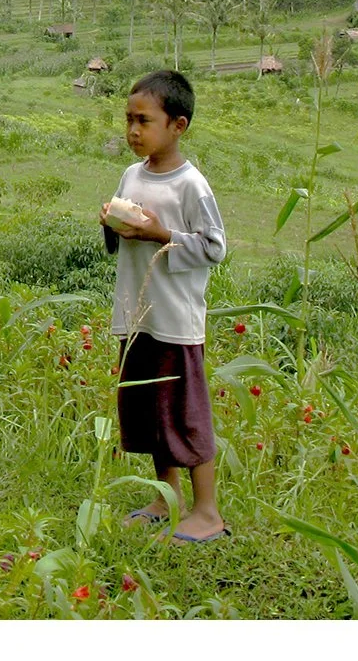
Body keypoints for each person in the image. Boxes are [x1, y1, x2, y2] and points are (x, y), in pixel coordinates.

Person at [100, 69, 228, 543]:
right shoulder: (131, 175)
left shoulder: (191, 185)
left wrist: (162, 235)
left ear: (178, 125)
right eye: (128, 120)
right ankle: (164, 497)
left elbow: (215, 247)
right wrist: (113, 224)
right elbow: (121, 242)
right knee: (153, 409)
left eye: (144, 121)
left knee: (184, 411)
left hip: (175, 319)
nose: (133, 131)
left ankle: (208, 511)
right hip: (139, 316)